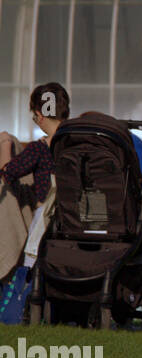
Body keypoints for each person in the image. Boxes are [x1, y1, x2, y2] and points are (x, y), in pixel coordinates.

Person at [0, 83, 68, 280]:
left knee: (30, 265)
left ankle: (27, 284)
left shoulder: (40, 148)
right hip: (74, 217)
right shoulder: (77, 143)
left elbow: (8, 172)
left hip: (47, 220)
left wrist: (5, 143)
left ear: (40, 115)